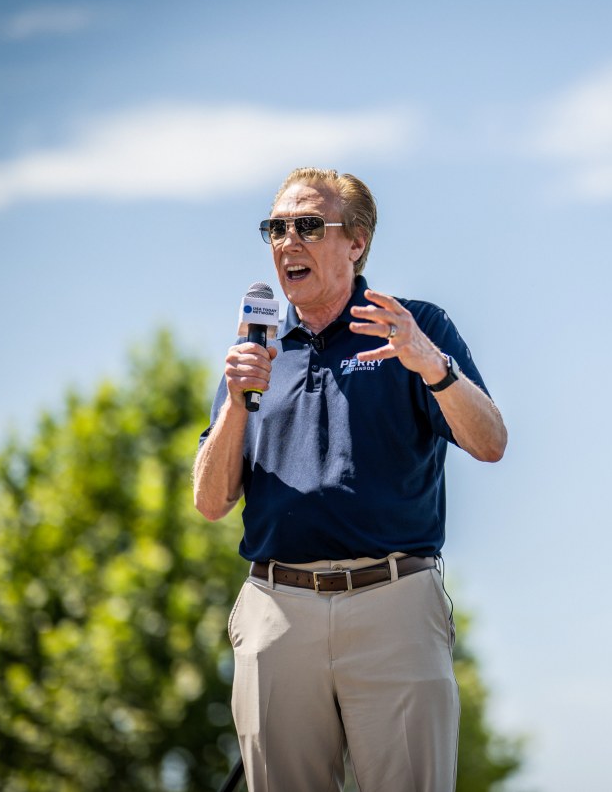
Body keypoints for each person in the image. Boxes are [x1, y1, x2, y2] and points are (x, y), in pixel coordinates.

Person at [193, 167, 507, 791]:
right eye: (276, 228)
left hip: (393, 604)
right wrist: (235, 400)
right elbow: (209, 501)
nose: (288, 242)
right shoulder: (255, 353)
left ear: (357, 242)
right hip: (277, 611)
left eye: (308, 226)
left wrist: (432, 367)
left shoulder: (411, 329)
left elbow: (490, 442)